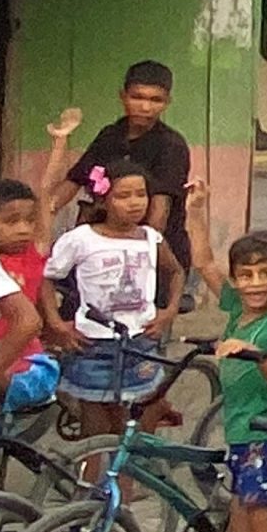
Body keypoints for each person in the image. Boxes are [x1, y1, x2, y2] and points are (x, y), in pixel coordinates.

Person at [184, 183, 267, 532]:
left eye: (266, 274)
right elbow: (203, 262)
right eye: (245, 275)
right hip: (239, 436)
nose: (255, 284)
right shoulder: (235, 307)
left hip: (265, 437)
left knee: (264, 529)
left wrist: (254, 353)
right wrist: (195, 211)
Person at [44, 159, 184, 436]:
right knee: (95, 423)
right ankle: (93, 465)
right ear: (103, 200)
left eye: (141, 194)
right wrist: (56, 323)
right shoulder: (81, 239)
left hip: (140, 343)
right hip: (93, 344)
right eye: (123, 196)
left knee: (132, 422)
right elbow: (47, 277)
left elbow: (176, 271)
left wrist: (169, 311)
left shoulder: (150, 238)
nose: (134, 203)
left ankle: (130, 464)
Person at [49, 60, 195, 299]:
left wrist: (133, 251)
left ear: (167, 102)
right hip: (99, 253)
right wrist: (43, 214)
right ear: (123, 96)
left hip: (151, 258)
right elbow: (74, 181)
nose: (145, 107)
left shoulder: (171, 146)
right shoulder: (109, 136)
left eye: (155, 100)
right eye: (137, 97)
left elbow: (158, 214)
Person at [0, 176, 56, 434]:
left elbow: (28, 320)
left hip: (23, 368)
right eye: (12, 221)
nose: (23, 230)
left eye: (29, 221)